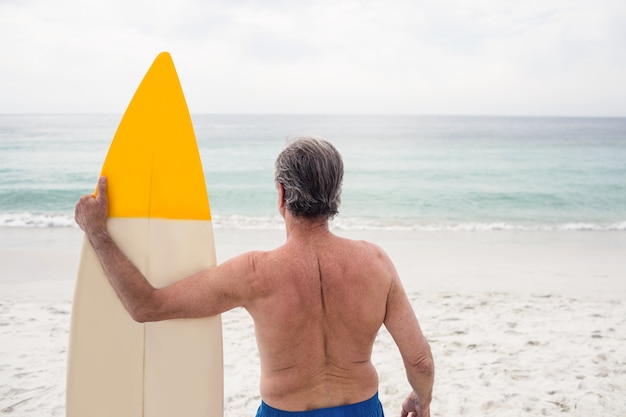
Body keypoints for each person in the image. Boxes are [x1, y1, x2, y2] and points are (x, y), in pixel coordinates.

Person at [75, 137, 434, 417]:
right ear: (335, 194)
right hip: (362, 409)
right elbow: (419, 360)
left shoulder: (255, 274)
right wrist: (421, 400)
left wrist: (98, 234)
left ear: (281, 194)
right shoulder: (376, 263)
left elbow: (145, 305)